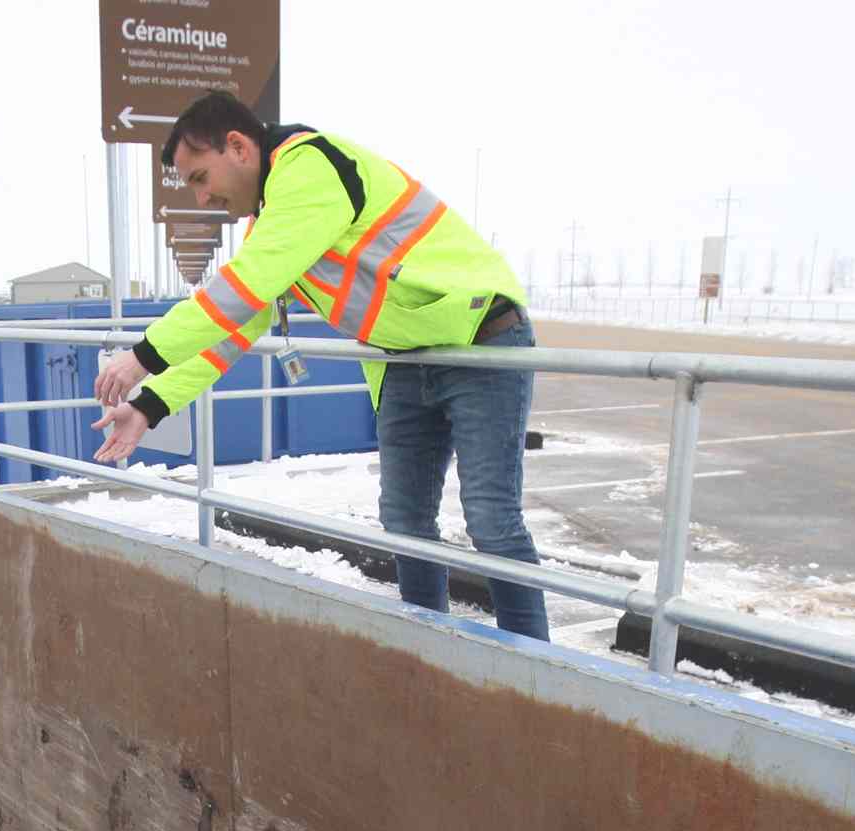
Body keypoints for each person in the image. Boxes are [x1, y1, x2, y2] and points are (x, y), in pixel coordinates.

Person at [93, 92, 547, 640]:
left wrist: (142, 357)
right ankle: (431, 652)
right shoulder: (277, 219)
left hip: (481, 339)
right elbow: (234, 328)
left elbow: (239, 291)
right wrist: (151, 404)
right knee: (404, 524)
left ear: (237, 147)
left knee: (492, 522)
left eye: (199, 176)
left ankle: (537, 664)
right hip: (406, 362)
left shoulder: (309, 168)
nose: (203, 195)